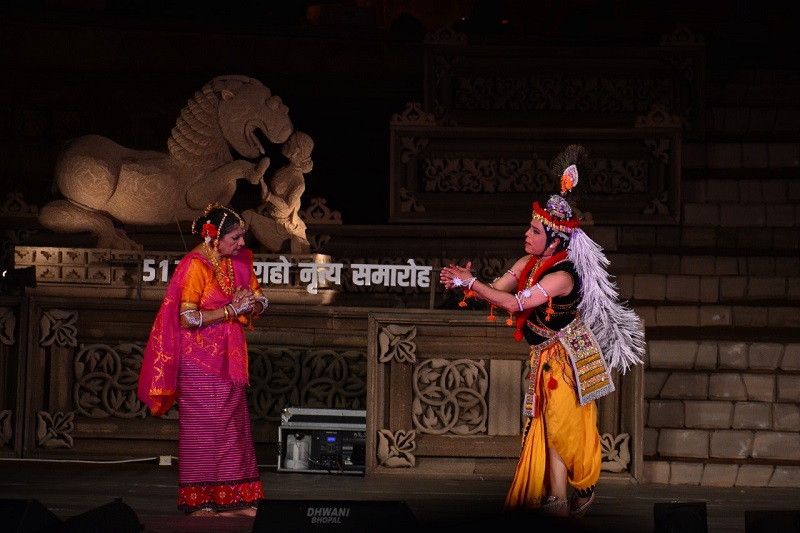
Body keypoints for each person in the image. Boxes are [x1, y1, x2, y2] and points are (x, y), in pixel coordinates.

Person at [439, 144, 645, 519]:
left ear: (554, 239)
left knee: (562, 427)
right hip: (543, 354)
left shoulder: (562, 276)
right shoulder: (529, 262)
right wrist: (465, 283)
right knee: (547, 424)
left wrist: (472, 284)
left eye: (534, 230)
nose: (526, 234)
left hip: (568, 356)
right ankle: (557, 499)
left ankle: (581, 488)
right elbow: (497, 290)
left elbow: (514, 304)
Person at [137, 202, 269, 517]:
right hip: (199, 362)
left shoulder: (237, 262)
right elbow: (187, 317)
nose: (241, 243)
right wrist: (230, 310)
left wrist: (252, 304)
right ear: (213, 237)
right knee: (203, 431)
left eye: (242, 237)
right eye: (235, 238)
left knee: (233, 428)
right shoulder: (195, 265)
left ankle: (236, 500)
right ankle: (200, 501)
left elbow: (261, 298)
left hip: (230, 360)